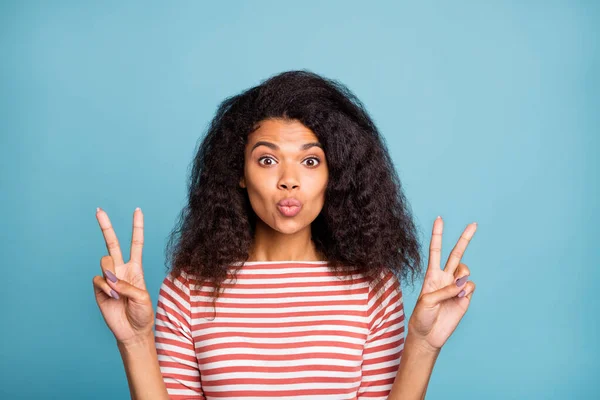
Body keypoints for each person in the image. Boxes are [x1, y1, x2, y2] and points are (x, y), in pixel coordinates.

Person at [93, 70, 477, 400]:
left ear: (334, 175)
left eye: (310, 161)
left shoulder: (374, 289)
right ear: (239, 172)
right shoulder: (189, 289)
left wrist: (424, 345)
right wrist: (135, 340)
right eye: (267, 159)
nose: (289, 181)